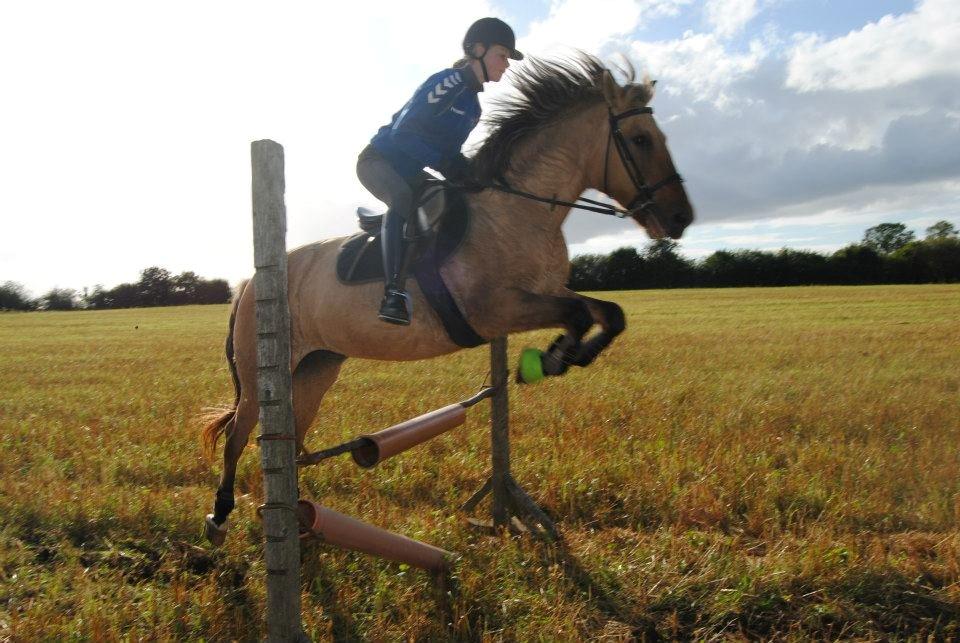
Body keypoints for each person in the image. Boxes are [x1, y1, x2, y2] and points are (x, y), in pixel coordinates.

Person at [356, 17, 523, 325]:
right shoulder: (447, 83)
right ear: (478, 49)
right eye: (503, 55)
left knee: (449, 200)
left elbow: (449, 155)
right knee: (403, 198)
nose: (507, 64)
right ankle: (393, 294)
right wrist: (447, 164)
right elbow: (402, 133)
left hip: (411, 170)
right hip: (378, 161)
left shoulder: (474, 109)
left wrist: (472, 175)